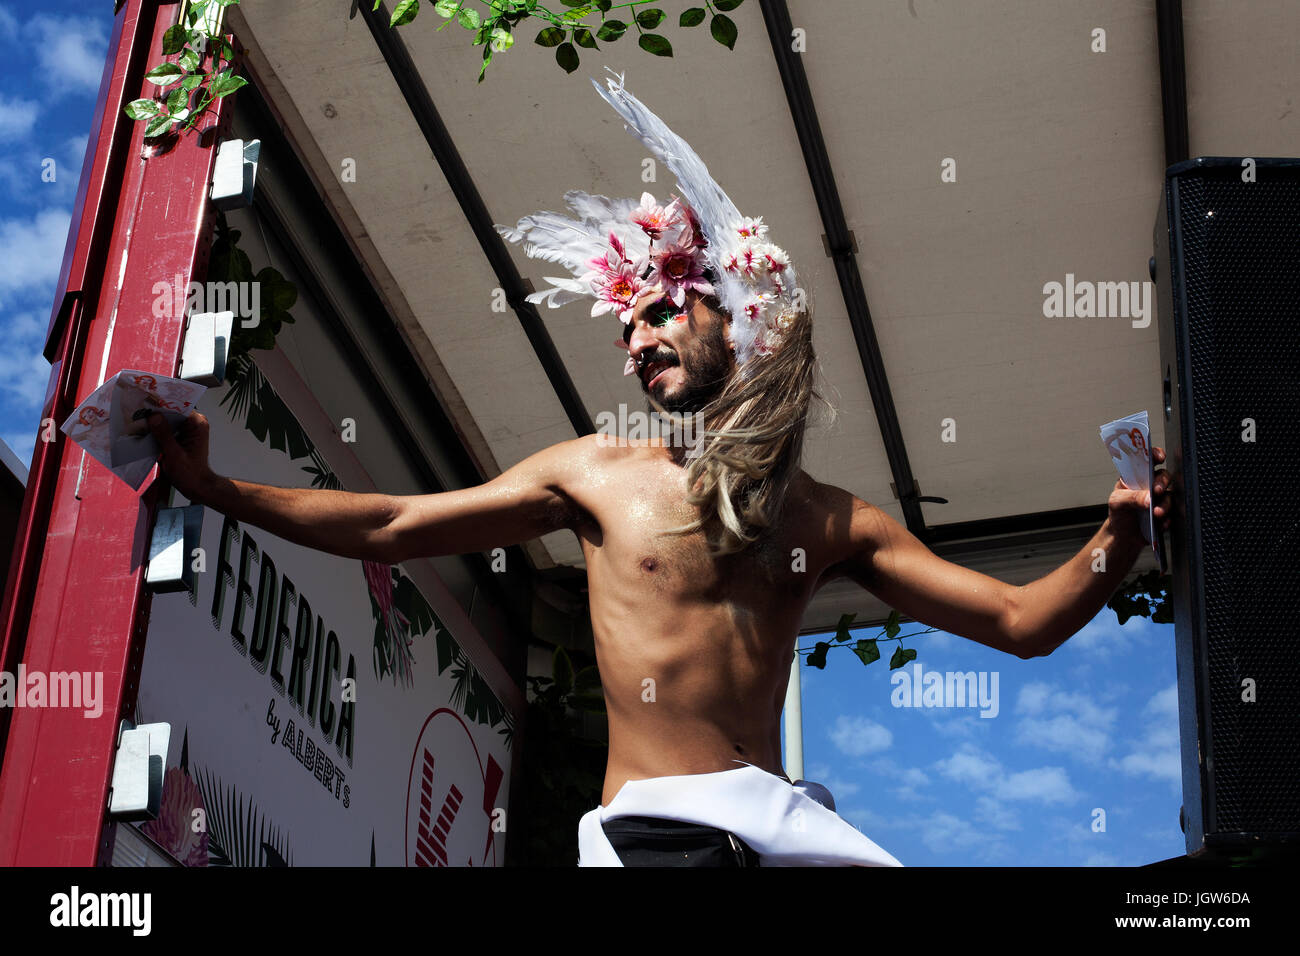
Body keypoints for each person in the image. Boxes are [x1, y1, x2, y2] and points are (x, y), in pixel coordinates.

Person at [147, 70, 1171, 866]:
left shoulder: (827, 518)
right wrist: (218, 489)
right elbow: (394, 526)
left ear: (740, 313)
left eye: (662, 309)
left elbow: (1016, 624)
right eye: (625, 326)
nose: (634, 341)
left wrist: (1118, 531)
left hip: (781, 832)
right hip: (653, 838)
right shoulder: (595, 473)